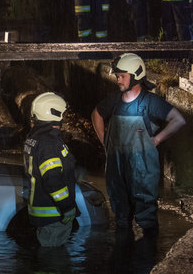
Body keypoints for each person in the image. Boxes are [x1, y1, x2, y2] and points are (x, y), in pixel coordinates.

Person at [91, 53, 186, 236]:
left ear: (135, 76)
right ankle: (124, 257)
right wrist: (105, 142)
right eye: (118, 76)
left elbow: (178, 119)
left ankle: (147, 255)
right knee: (121, 216)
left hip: (142, 169)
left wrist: (158, 139)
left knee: (146, 217)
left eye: (122, 76)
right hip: (117, 167)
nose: (118, 79)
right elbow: (97, 114)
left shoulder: (150, 102)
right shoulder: (114, 99)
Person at [23, 92, 78, 248]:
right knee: (52, 261)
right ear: (55, 112)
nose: (65, 117)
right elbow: (52, 180)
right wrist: (67, 206)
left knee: (48, 258)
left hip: (41, 209)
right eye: (63, 112)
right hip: (53, 213)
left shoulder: (35, 138)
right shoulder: (48, 143)